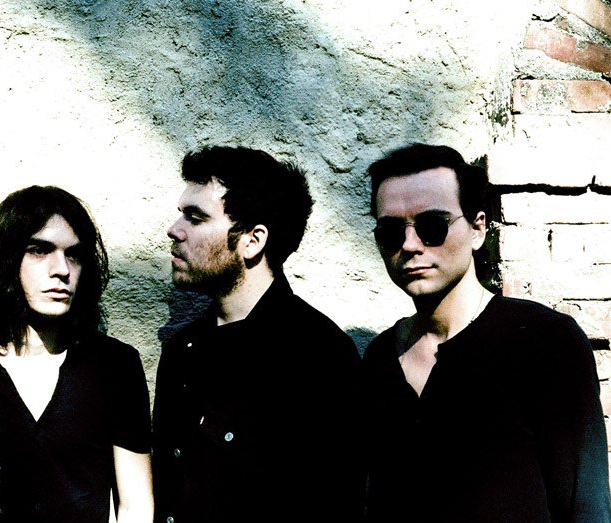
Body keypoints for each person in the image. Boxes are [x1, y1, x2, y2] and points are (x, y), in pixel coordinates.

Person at [363, 143, 611, 522]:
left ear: (478, 229)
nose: (410, 246)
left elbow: (586, 509)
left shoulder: (545, 342)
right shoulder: (381, 358)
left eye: (433, 226)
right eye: (391, 231)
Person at [152, 146, 364, 523]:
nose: (174, 229)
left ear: (252, 240)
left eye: (196, 217)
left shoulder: (318, 355)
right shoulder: (182, 350)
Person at [0, 185, 153, 523]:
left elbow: (136, 505)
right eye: (40, 251)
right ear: (8, 259)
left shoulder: (114, 365)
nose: (62, 270)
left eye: (74, 255)